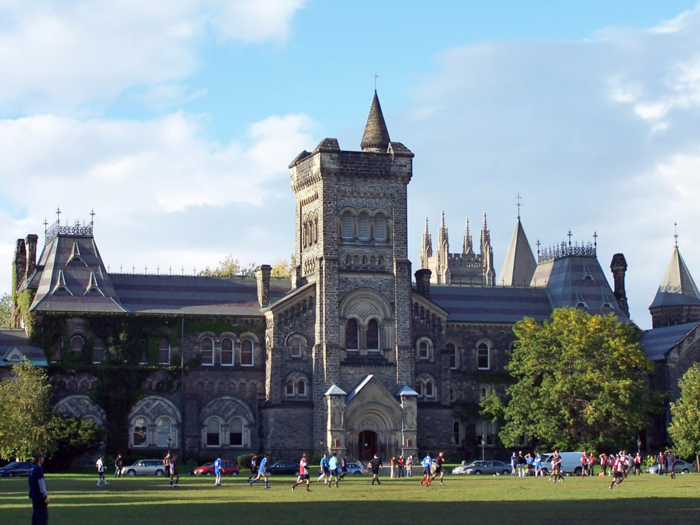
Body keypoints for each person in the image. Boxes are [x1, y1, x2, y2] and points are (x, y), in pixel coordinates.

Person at [29, 451, 49, 525]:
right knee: (42, 517)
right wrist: (45, 495)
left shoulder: (32, 469)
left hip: (34, 495)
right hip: (39, 496)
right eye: (42, 457)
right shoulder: (39, 469)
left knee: (36, 516)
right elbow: (41, 482)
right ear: (39, 459)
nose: (43, 459)